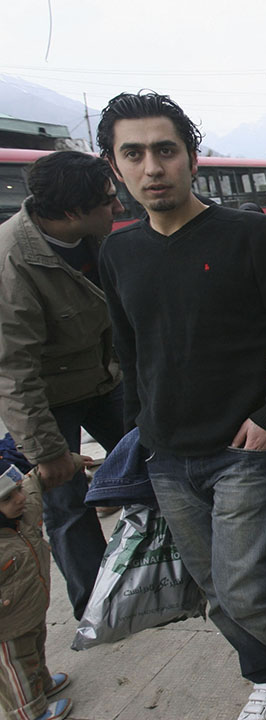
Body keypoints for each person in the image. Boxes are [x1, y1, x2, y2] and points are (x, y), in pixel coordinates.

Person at [95, 91, 266, 720]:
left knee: (248, 586)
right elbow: (131, 354)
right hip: (167, 457)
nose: (152, 167)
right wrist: (138, 435)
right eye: (134, 154)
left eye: (165, 150)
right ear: (114, 167)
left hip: (243, 447)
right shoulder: (118, 253)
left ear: (191, 157)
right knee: (214, 592)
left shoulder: (247, 234)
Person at [0, 151, 127, 621]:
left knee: (154, 466)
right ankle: (98, 605)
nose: (118, 208)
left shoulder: (97, 237)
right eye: (109, 201)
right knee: (67, 503)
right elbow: (13, 371)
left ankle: (165, 570)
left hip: (106, 378)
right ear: (73, 212)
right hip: (50, 400)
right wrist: (47, 452)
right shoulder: (13, 260)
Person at [0, 462, 77, 720]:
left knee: (34, 651)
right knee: (16, 668)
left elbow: (33, 484)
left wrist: (71, 461)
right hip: (6, 628)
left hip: (31, 609)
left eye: (17, 490)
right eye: (7, 498)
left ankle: (41, 685)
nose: (19, 499)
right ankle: (28, 712)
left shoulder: (22, 514)